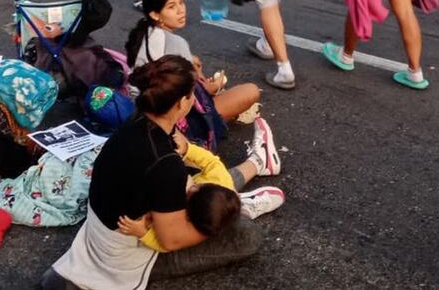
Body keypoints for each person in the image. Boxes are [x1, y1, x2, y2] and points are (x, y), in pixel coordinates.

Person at [41, 56, 274, 290]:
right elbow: (171, 240)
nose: (195, 99)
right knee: (246, 235)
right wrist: (219, 221)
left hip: (99, 234)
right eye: (192, 94)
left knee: (211, 189)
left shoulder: (134, 123)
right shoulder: (165, 164)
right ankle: (239, 204)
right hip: (123, 256)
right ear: (181, 103)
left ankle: (255, 166)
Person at [126, 0, 261, 125]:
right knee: (251, 91)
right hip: (171, 116)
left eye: (181, 2)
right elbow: (191, 94)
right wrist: (214, 86)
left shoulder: (145, 32)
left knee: (194, 62)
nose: (181, 11)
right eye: (171, 7)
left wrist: (193, 65)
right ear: (155, 14)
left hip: (143, 108)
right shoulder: (176, 43)